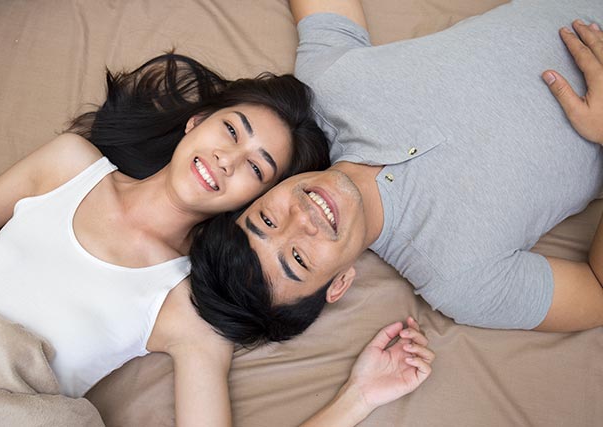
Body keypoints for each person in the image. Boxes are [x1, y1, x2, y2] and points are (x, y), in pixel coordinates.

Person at [186, 0, 603, 424]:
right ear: (339, 284)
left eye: (268, 221)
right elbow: (596, 291)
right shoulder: (461, 279)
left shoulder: (325, 87)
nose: (302, 220)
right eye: (297, 259)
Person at [0, 52, 332, 425]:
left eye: (255, 167)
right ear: (197, 121)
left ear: (252, 201)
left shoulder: (186, 305)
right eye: (232, 131)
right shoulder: (67, 166)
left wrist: (358, 398)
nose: (227, 160)